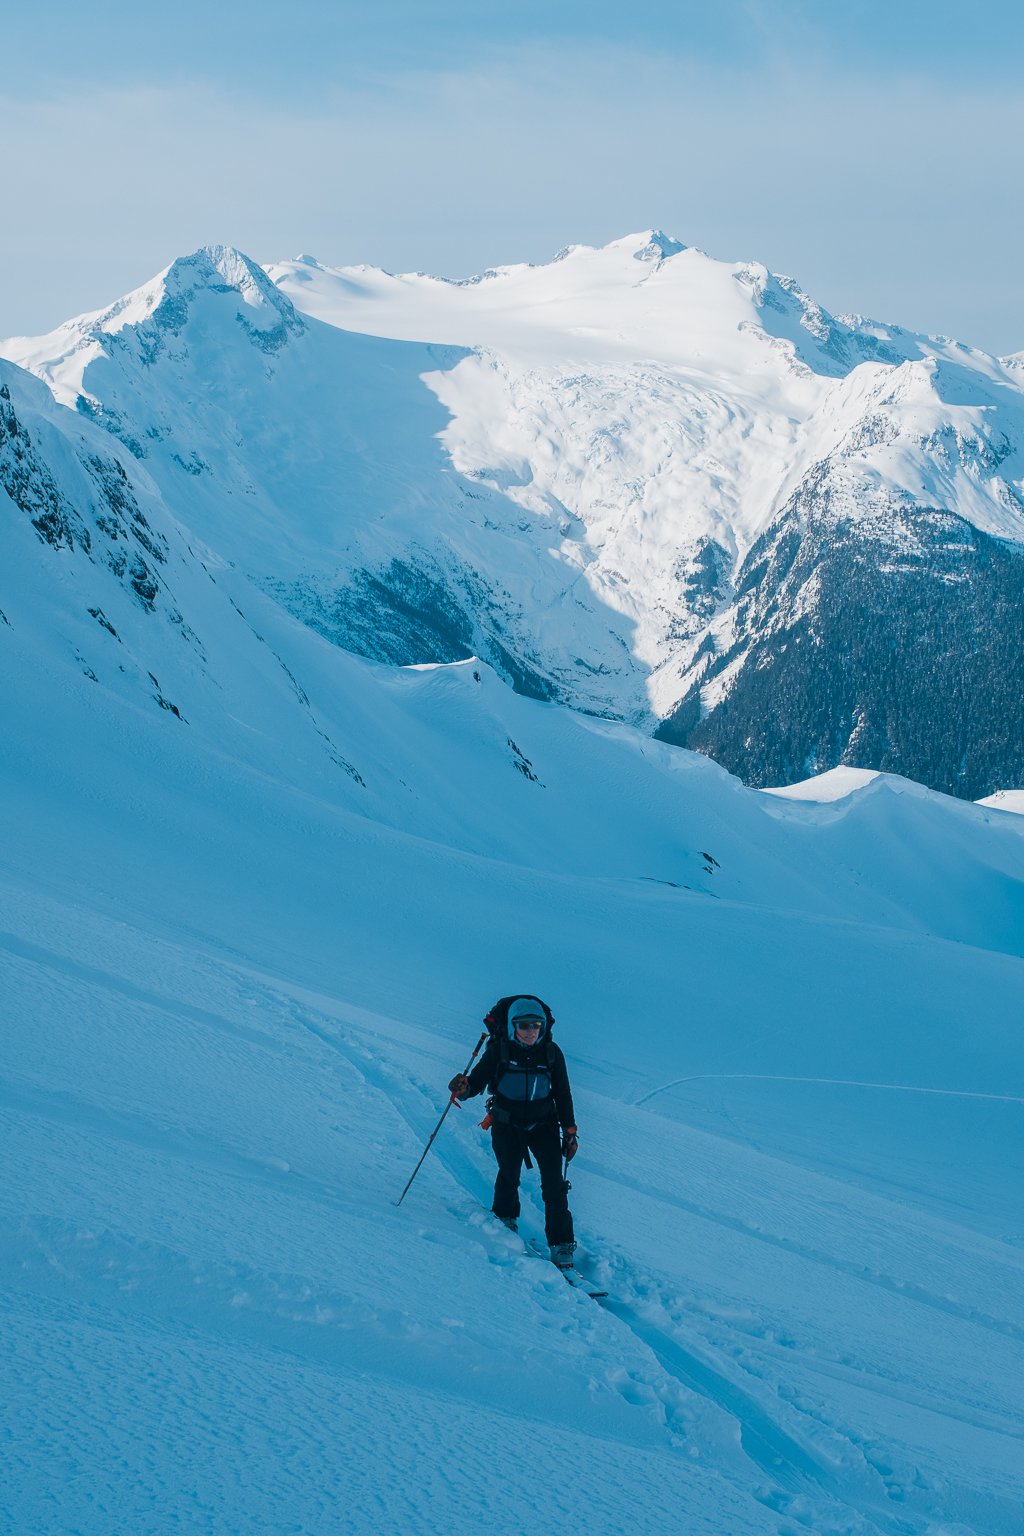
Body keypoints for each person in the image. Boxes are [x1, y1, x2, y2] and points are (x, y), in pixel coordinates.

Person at [449, 995, 579, 1267]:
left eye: (536, 1025)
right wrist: (464, 1089)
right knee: (509, 1175)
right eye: (524, 1025)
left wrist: (570, 1131)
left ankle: (562, 1243)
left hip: (544, 1124)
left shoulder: (552, 1053)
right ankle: (505, 1221)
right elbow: (477, 1081)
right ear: (512, 1027)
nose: (531, 1031)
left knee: (554, 1185)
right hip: (507, 1122)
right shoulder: (500, 1050)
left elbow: (563, 1093)